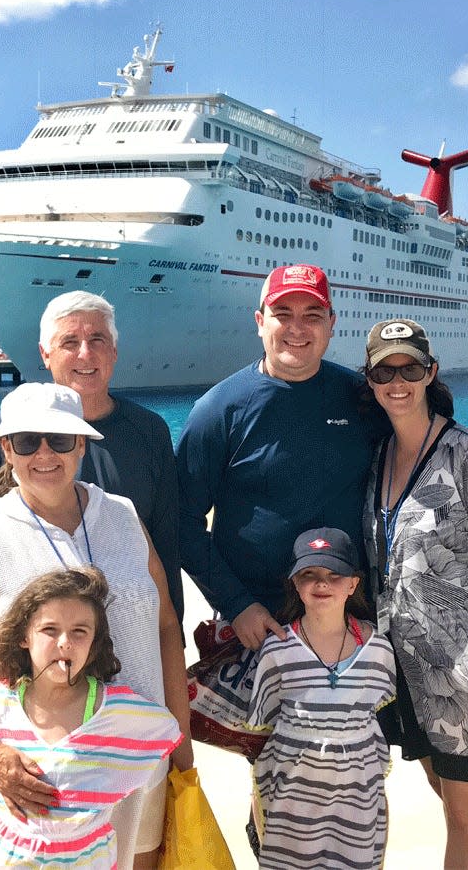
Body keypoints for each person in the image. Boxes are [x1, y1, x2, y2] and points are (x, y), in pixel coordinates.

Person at [0, 382, 193, 870]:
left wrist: (181, 742)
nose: (43, 453)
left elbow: (165, 628)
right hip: (43, 777)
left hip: (138, 757)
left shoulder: (125, 517)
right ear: (6, 449)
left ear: (82, 445)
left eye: (59, 439)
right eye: (27, 441)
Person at [361, 318, 468, 869]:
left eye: (410, 368)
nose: (398, 380)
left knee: (467, 816)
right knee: (449, 796)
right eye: (385, 370)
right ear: (371, 381)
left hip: (463, 673)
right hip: (407, 673)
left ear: (431, 373)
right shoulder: (381, 458)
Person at [0, 291, 184, 622]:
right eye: (69, 342)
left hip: (129, 634)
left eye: (97, 339)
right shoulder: (7, 431)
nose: (85, 353)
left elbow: (166, 544)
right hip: (38, 641)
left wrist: (172, 638)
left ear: (114, 351)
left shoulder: (149, 432)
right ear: (45, 354)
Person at [176, 264, 379, 651]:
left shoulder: (363, 399)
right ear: (260, 321)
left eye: (312, 316)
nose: (297, 329)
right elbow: (182, 521)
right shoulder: (218, 410)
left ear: (331, 323)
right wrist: (237, 605)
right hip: (255, 626)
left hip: (350, 623)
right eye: (282, 315)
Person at [0, 567, 183, 868]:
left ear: (94, 645)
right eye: (49, 629)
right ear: (23, 637)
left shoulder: (119, 713)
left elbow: (168, 730)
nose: (64, 642)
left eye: (79, 631)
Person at [246, 526, 396, 868]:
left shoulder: (377, 650)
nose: (322, 584)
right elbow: (261, 735)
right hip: (291, 806)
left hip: (358, 804)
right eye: (309, 574)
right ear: (295, 583)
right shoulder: (278, 650)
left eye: (334, 574)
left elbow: (379, 707)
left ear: (353, 584)